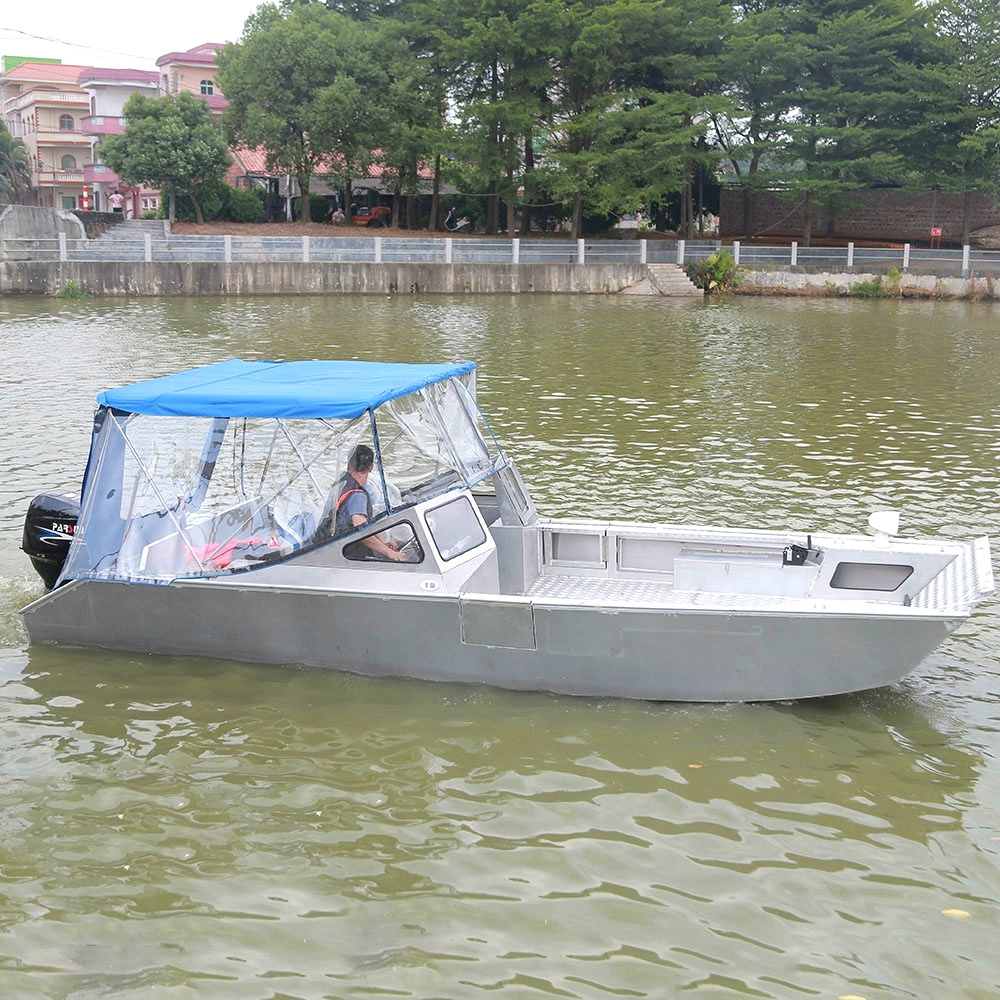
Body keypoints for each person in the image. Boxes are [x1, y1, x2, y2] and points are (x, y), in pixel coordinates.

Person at [320, 444, 408, 561]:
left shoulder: (342, 480)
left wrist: (384, 543)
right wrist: (390, 553)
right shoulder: (357, 496)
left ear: (348, 465)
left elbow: (365, 524)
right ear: (371, 468)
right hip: (342, 555)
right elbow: (362, 532)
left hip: (324, 543)